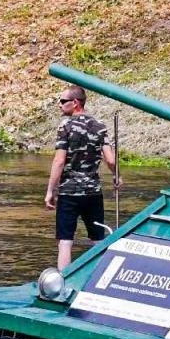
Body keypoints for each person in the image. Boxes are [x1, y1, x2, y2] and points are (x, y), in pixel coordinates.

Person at [46, 85, 119, 270]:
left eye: (63, 101)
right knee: (97, 239)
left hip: (69, 192)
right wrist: (117, 175)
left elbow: (59, 161)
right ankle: (99, 278)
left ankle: (63, 281)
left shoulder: (65, 126)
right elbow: (110, 159)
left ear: (76, 103)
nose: (59, 105)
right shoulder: (99, 126)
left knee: (65, 241)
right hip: (93, 192)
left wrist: (50, 191)